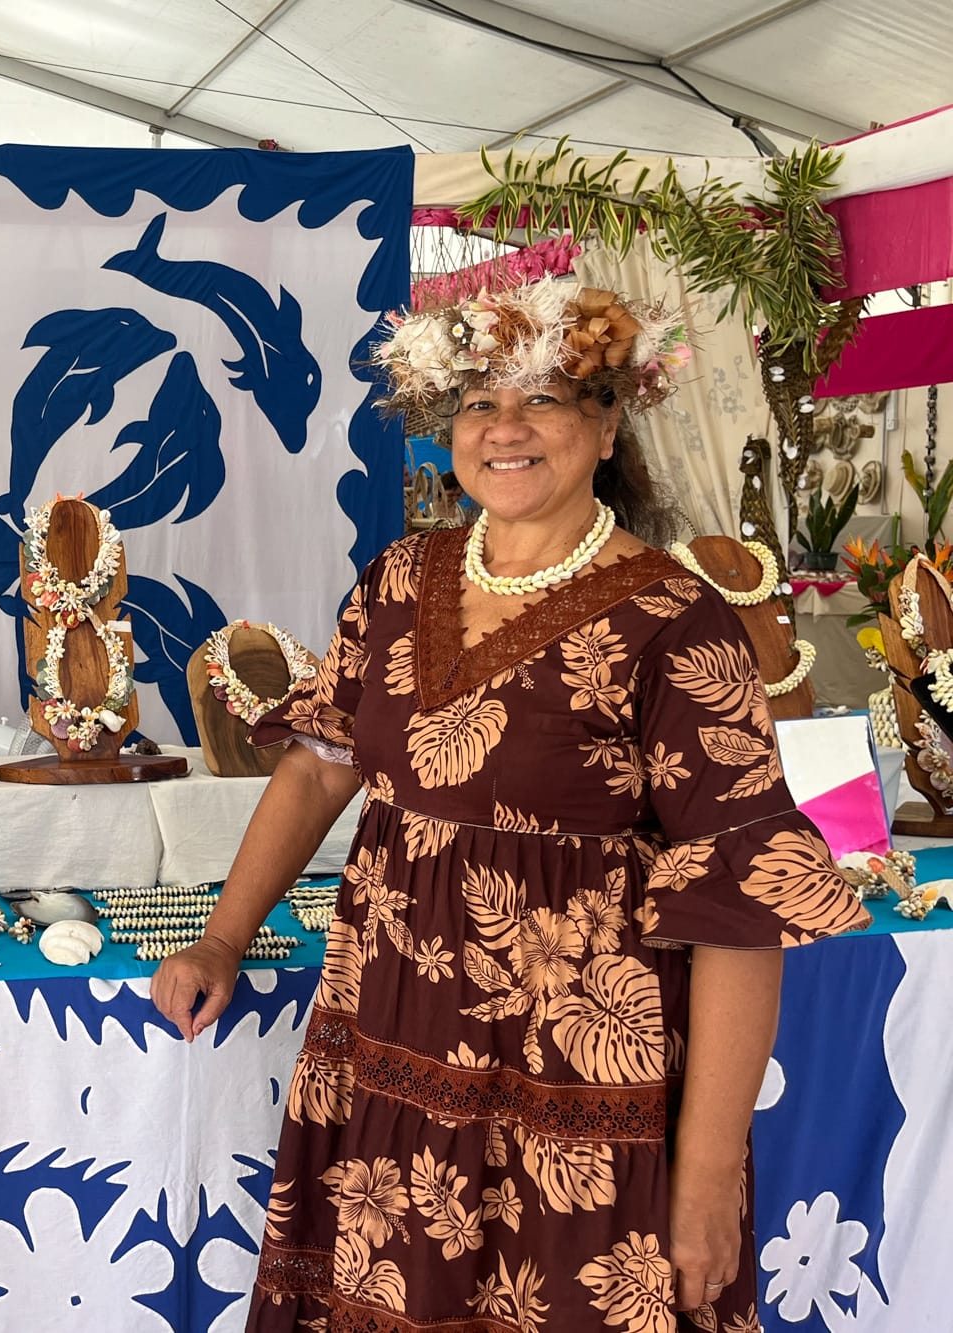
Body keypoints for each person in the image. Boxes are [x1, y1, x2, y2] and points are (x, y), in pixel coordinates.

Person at [152, 281, 869, 1332]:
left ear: (607, 425)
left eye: (542, 399)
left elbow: (738, 911)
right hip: (391, 1046)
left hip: (578, 1085)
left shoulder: (676, 623)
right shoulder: (398, 580)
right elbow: (317, 766)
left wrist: (709, 1174)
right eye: (479, 401)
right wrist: (222, 938)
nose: (504, 428)